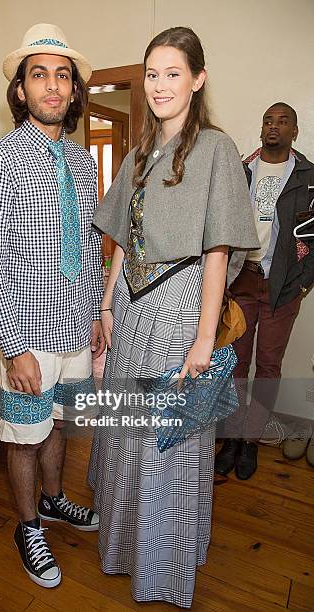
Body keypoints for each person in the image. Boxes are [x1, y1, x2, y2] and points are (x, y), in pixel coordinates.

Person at [87, 26, 259, 608]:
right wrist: (106, 309)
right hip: (131, 313)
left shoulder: (216, 150)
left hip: (182, 311)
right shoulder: (138, 153)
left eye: (173, 74)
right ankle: (121, 551)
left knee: (167, 449)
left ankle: (161, 574)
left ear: (198, 79)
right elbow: (121, 242)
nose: (160, 86)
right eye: (152, 74)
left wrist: (204, 339)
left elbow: (217, 252)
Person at [0, 23, 104, 589]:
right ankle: (29, 526)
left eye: (62, 74)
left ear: (73, 91)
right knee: (22, 438)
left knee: (59, 428)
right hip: (25, 332)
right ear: (21, 90)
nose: (52, 85)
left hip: (76, 327)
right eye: (39, 74)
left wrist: (96, 311)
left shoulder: (82, 164)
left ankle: (54, 501)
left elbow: (91, 243)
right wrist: (13, 346)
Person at [215, 103, 314, 480]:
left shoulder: (308, 177)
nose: (273, 127)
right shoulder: (242, 170)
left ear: (295, 131)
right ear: (261, 130)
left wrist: (301, 283)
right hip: (242, 281)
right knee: (236, 365)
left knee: (268, 366)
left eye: (282, 121)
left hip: (282, 286)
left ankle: (251, 440)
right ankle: (232, 439)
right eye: (268, 121)